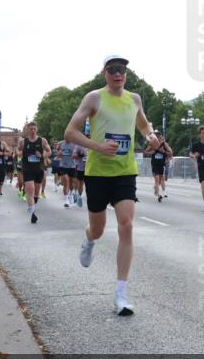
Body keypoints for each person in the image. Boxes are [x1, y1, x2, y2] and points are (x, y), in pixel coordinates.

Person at [65, 55, 161, 316]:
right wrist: (97, 146)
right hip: (97, 173)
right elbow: (70, 132)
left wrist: (151, 136)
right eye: (113, 69)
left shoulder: (134, 99)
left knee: (126, 226)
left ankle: (121, 294)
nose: (118, 74)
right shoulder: (94, 98)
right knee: (98, 229)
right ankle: (89, 240)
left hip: (124, 172)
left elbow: (143, 124)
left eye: (122, 69)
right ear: (104, 73)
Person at [20, 121, 52, 222]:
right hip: (27, 168)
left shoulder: (42, 141)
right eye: (31, 129)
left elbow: (49, 151)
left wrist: (42, 155)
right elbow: (18, 150)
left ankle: (33, 204)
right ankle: (32, 213)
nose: (33, 131)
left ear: (37, 129)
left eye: (34, 129)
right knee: (30, 189)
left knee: (36, 191)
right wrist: (19, 153)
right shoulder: (23, 141)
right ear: (27, 130)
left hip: (39, 169)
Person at [144, 130, 173, 202]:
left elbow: (170, 153)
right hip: (155, 164)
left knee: (160, 180)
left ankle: (157, 190)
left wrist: (164, 151)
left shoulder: (164, 144)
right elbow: (145, 152)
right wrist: (152, 152)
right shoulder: (152, 144)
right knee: (156, 180)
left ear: (160, 136)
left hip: (162, 165)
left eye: (158, 136)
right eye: (156, 136)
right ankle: (159, 195)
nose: (157, 138)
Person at [59, 139, 77, 208]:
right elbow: (58, 153)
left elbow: (78, 154)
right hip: (63, 166)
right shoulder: (61, 143)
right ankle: (66, 200)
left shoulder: (74, 144)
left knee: (71, 183)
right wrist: (59, 153)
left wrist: (75, 155)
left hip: (72, 166)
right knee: (66, 181)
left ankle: (71, 194)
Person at [72, 143, 87, 207]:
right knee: (78, 182)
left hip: (88, 169)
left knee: (82, 184)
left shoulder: (91, 146)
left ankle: (79, 196)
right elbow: (73, 156)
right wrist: (80, 154)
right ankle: (76, 194)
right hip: (79, 168)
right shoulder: (78, 146)